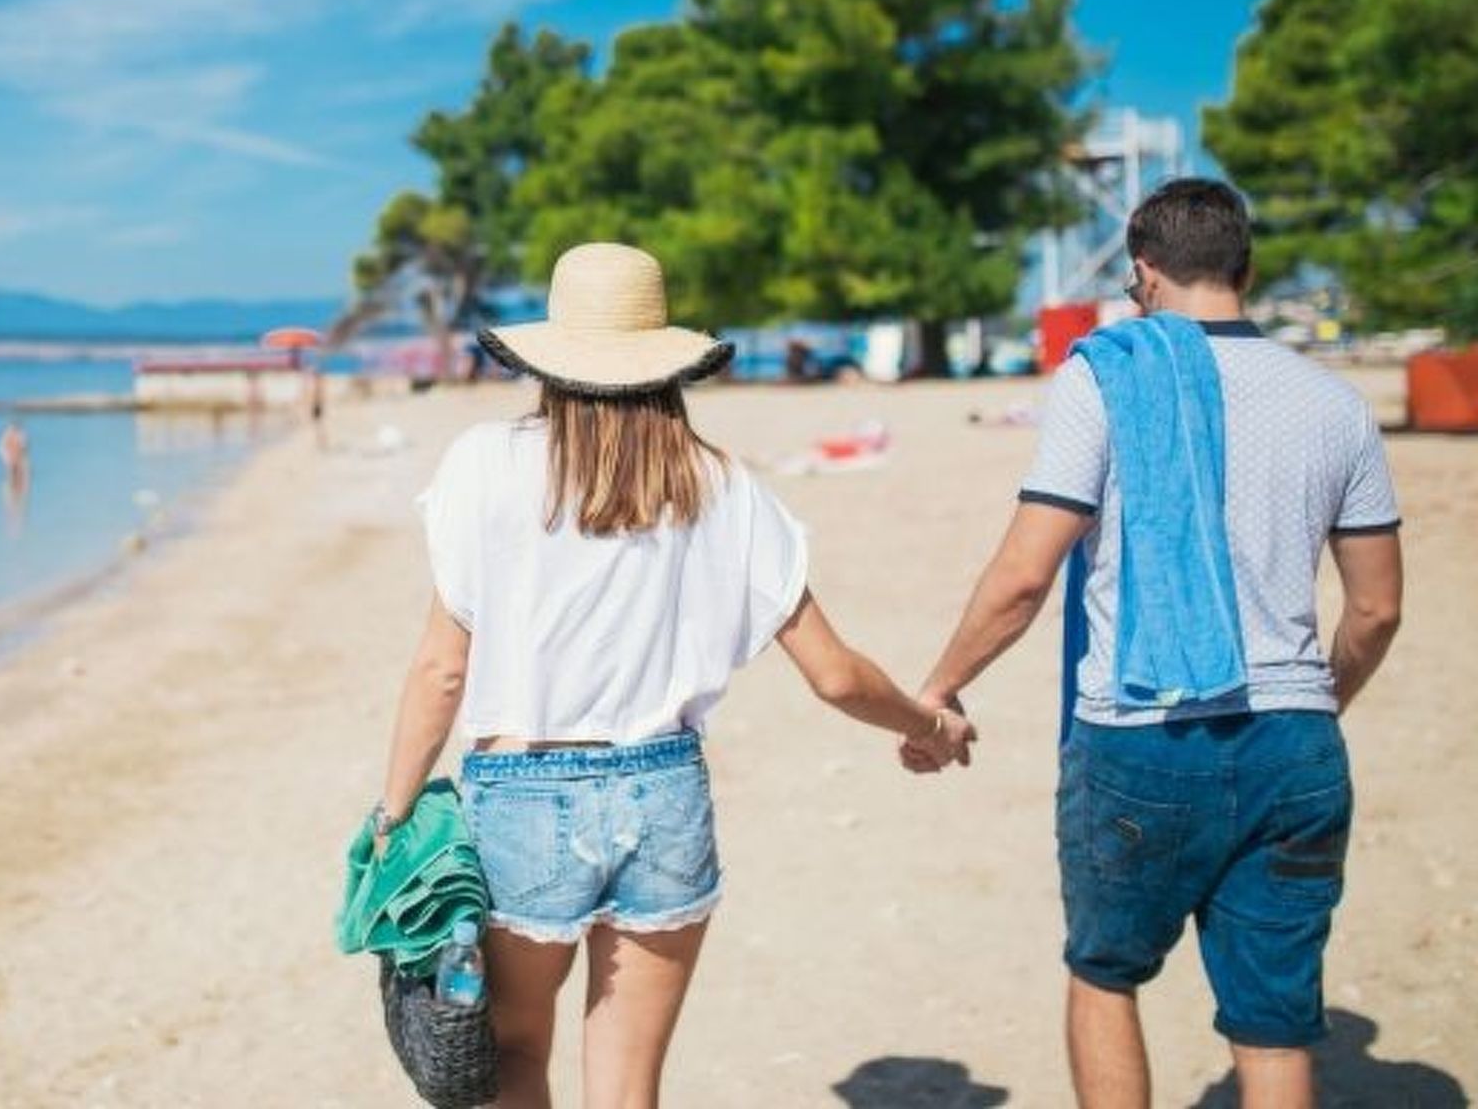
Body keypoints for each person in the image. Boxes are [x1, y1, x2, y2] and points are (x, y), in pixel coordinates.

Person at [372, 242, 974, 1109]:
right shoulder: (721, 484)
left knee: (511, 1056)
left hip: (521, 795)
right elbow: (835, 675)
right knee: (627, 1087)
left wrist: (394, 815)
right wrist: (928, 724)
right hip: (663, 795)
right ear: (666, 364)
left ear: (547, 357)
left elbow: (440, 670)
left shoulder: (483, 464)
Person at [905, 179, 1404, 1109]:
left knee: (1104, 974)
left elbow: (1025, 575)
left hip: (1144, 738)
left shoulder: (1108, 373)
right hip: (1297, 742)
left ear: (1143, 274)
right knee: (1273, 1023)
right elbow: (1375, 611)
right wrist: (1314, 706)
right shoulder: (1337, 407)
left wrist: (943, 685)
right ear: (1245, 269)